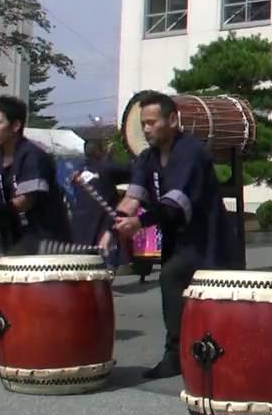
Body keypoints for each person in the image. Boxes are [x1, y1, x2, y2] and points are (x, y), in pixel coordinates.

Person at [113, 91, 241, 379]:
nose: (146, 129)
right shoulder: (147, 158)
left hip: (209, 242)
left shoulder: (191, 152)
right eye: (143, 124)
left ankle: (196, 357)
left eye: (152, 122)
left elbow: (174, 205)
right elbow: (131, 199)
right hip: (178, 242)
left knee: (190, 288)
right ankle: (178, 355)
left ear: (172, 120)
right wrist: (117, 223)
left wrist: (139, 222)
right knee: (173, 283)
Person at [0, 96, 70, 255]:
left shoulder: (33, 156)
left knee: (9, 266)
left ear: (15, 126)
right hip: (12, 235)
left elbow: (24, 202)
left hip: (44, 236)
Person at [69, 139, 130, 267]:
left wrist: (107, 157)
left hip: (81, 222)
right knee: (106, 258)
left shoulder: (77, 172)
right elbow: (131, 171)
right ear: (98, 151)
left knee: (86, 262)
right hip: (103, 220)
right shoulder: (106, 168)